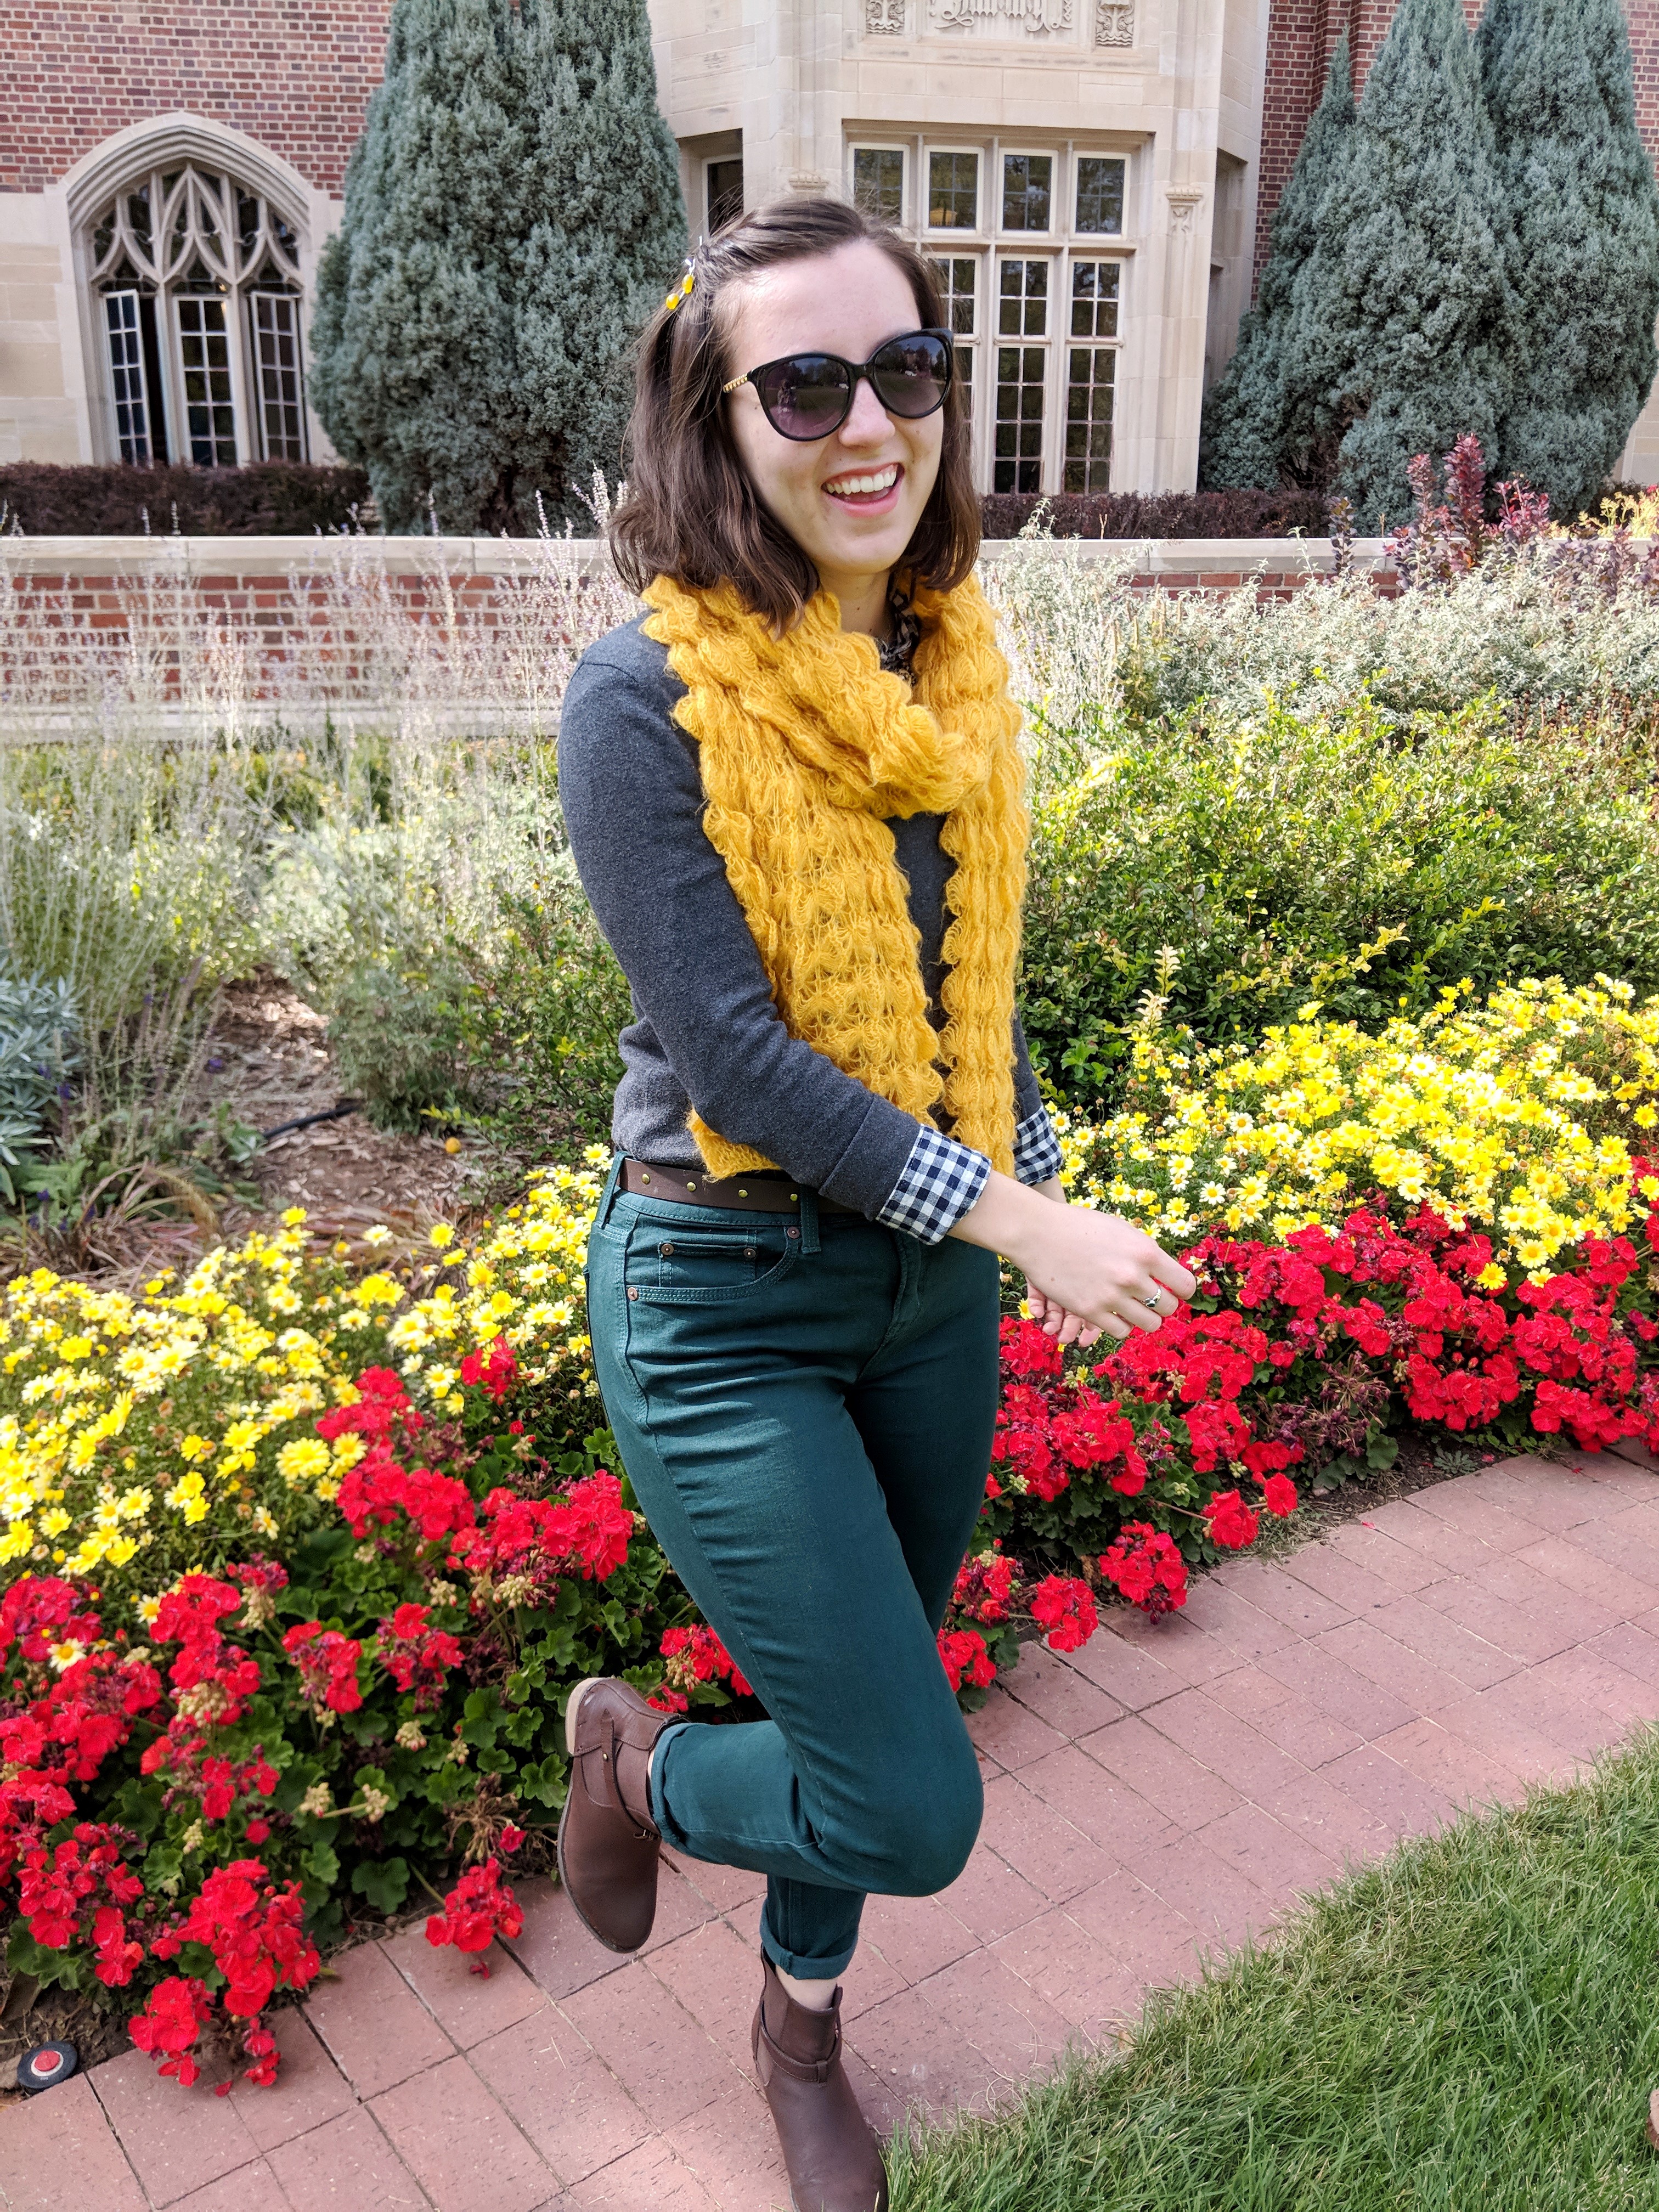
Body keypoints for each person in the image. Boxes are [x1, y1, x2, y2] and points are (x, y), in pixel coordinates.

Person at [554, 194, 1195, 2212]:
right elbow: (741, 1059)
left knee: (869, 1719)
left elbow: (959, 998)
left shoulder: (957, 666)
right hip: (727, 1300)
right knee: (905, 1800)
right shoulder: (641, 703)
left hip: (923, 1303)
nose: (867, 425)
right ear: (716, 418)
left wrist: (1007, 1182)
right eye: (805, 380)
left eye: (904, 371)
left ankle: (795, 2032)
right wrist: (1018, 1217)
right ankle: (640, 1766)